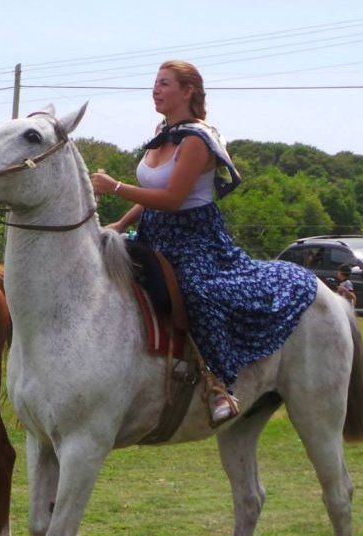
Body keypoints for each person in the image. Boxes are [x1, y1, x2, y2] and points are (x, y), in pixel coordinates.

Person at [90, 60, 319, 426]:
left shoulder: (197, 140)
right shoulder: (162, 132)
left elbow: (172, 198)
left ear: (188, 91)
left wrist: (115, 187)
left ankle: (218, 384)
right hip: (153, 232)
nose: (155, 89)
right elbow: (152, 192)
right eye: (155, 83)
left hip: (194, 239)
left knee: (197, 292)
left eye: (165, 83)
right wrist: (120, 223)